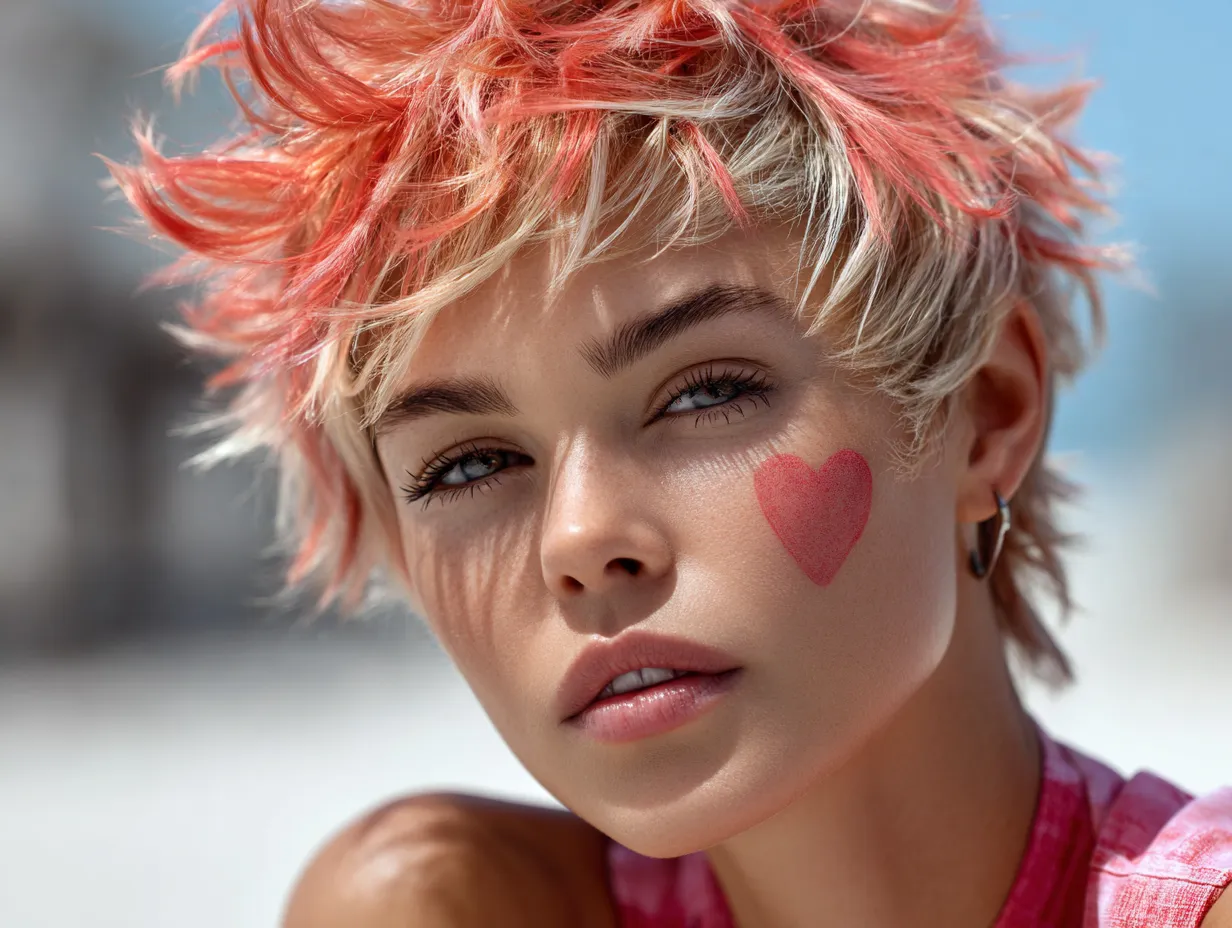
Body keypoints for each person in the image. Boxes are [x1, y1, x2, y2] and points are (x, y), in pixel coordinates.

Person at [106, 0, 1232, 925]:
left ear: (985, 410)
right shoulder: (440, 908)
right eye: (466, 464)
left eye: (703, 391)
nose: (582, 540)